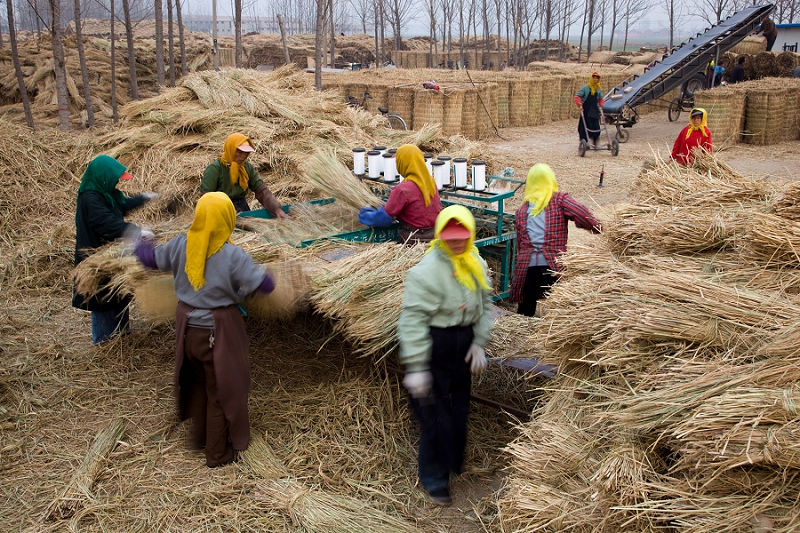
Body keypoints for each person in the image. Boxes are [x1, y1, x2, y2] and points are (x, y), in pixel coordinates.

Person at [133, 192, 276, 467]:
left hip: (187, 330)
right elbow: (264, 286)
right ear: (227, 219)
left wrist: (142, 240)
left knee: (198, 386)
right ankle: (218, 454)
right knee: (221, 393)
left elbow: (149, 260)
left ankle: (199, 439)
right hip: (218, 332)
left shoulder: (181, 244)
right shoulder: (233, 255)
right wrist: (272, 273)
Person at [398, 204, 493, 506]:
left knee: (459, 410)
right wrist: (416, 367)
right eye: (449, 235)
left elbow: (484, 305)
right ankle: (434, 477)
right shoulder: (425, 272)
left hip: (463, 344)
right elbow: (412, 321)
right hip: (434, 344)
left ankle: (453, 462)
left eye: (462, 235)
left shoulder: (476, 262)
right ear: (439, 234)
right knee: (434, 416)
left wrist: (479, 342)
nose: (456, 241)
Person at [72, 154, 157, 344]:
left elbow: (121, 206)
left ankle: (121, 337)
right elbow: (105, 223)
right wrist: (136, 231)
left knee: (117, 293)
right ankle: (104, 342)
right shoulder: (90, 198)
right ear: (103, 175)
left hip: (110, 256)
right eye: (115, 178)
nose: (118, 182)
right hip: (96, 261)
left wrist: (143, 198)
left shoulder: (106, 193)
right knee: (103, 298)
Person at [510, 163, 602, 317]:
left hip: (527, 269)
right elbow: (582, 214)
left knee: (525, 313)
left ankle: (523, 336)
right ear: (550, 180)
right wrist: (599, 227)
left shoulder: (521, 211)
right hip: (552, 266)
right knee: (560, 311)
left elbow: (520, 245)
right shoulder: (559, 200)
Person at [358, 144, 443, 243]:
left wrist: (366, 215)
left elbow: (384, 219)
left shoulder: (402, 190)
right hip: (434, 236)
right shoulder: (431, 182)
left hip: (413, 241)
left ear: (402, 163)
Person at [201, 133, 289, 217]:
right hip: (219, 209)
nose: (243, 156)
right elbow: (206, 197)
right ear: (230, 149)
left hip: (241, 207)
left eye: (246, 153)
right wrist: (225, 211)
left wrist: (277, 209)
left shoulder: (246, 168)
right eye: (239, 152)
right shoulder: (215, 168)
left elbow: (262, 191)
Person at [574, 72, 606, 147]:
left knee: (596, 127)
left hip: (594, 110)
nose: (595, 79)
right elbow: (577, 97)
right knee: (583, 128)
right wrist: (580, 105)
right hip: (586, 110)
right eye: (594, 78)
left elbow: (601, 99)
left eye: (597, 78)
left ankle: (595, 142)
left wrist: (601, 105)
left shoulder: (598, 89)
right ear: (592, 78)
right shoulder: (586, 88)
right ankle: (584, 142)